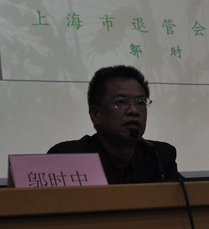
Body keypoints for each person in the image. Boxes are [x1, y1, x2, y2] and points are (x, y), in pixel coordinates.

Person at [48, 65, 180, 184]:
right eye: (121, 101)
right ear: (96, 115)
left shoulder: (159, 155)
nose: (133, 110)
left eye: (140, 102)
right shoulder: (67, 158)